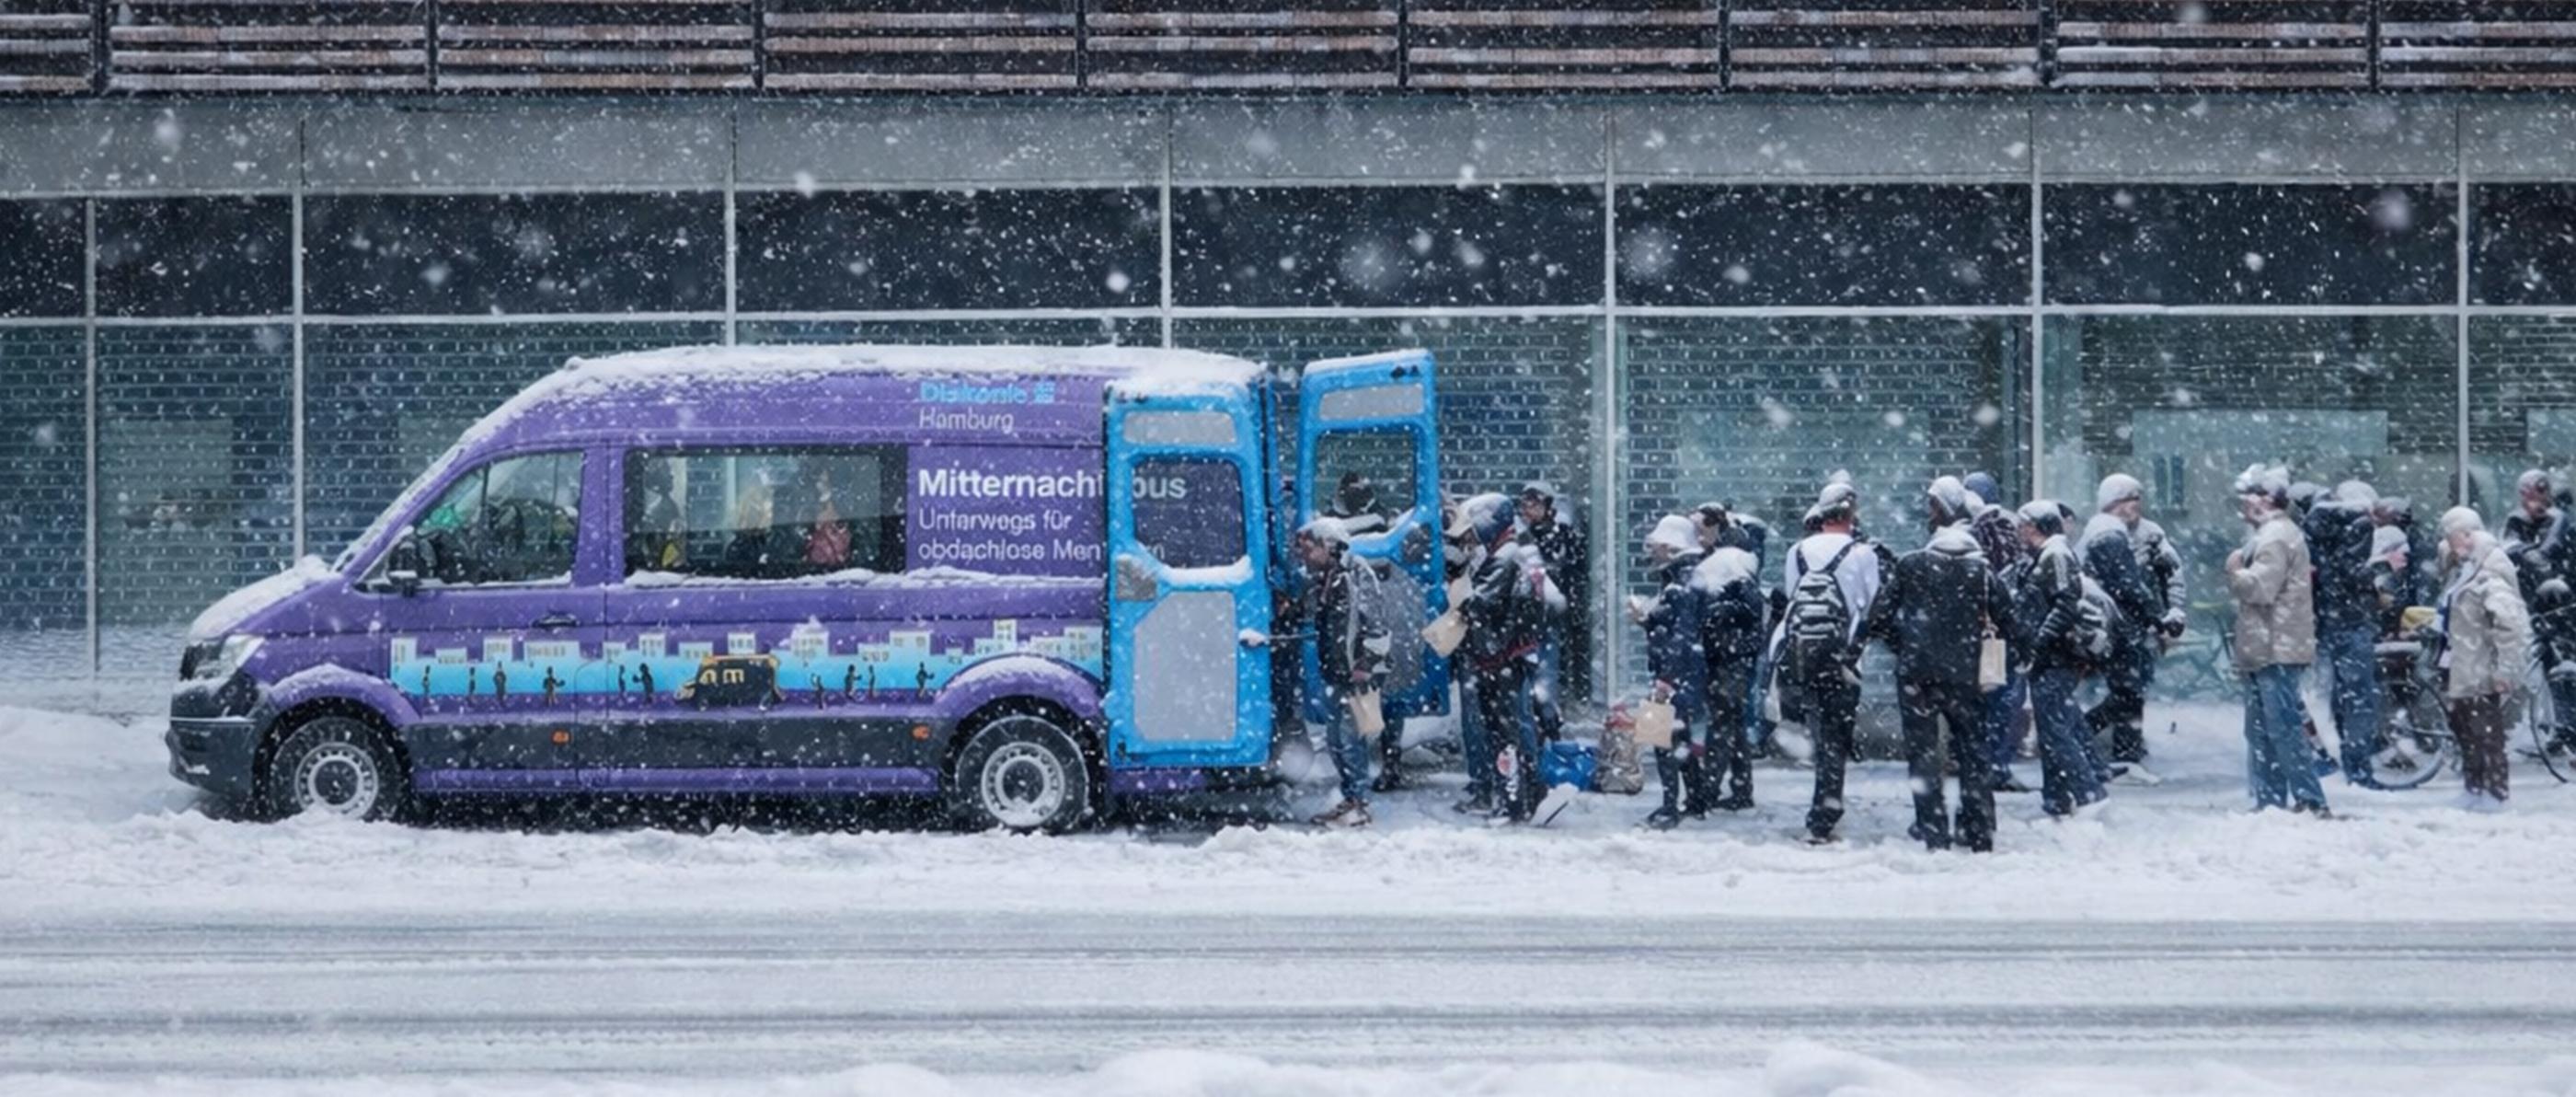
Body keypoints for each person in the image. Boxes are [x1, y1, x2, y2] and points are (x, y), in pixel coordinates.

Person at [1864, 478, 2014, 851]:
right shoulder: (1981, 574)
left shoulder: (1912, 565)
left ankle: (1933, 830)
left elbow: (1878, 617)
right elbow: (2011, 624)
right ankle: (1978, 829)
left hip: (1918, 675)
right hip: (1967, 674)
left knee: (1924, 754)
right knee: (1973, 752)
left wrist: (1907, 645)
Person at [1771, 479, 1888, 845]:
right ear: (1851, 515)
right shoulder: (1863, 554)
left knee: (1821, 730)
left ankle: (1822, 800)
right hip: (1844, 659)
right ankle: (1825, 810)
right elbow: (1872, 606)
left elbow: (1792, 600)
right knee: (1836, 737)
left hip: (1805, 655)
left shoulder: (1798, 552)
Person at [2226, 466, 2329, 817]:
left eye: (2247, 498)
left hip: (2275, 648)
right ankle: (2273, 802)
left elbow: (2261, 588)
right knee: (2264, 730)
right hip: (2268, 648)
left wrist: (2236, 572)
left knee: (2280, 729)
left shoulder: (2274, 538)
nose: (2243, 506)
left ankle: (2308, 800)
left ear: (2265, 500)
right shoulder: (2276, 535)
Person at [1453, 493, 1554, 822]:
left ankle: (1514, 802)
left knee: (1505, 734)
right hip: (1509, 658)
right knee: (1510, 731)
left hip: (1500, 660)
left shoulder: (1505, 557)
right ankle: (1524, 795)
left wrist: (1458, 597)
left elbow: (1476, 603)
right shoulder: (1513, 553)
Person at [2008, 500, 2108, 816]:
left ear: (2036, 527)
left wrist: (2039, 641)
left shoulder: (2056, 555)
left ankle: (2088, 792)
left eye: (2023, 526)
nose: (2019, 532)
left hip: (2055, 658)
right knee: (2057, 726)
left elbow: (2065, 604)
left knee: (2055, 730)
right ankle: (2058, 798)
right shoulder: (2045, 556)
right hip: (2050, 658)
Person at [2436, 507, 2533, 810]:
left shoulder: (2489, 570)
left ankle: (2494, 792)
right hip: (2463, 664)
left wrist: (2506, 669)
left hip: (2480, 667)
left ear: (2466, 535)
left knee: (2485, 734)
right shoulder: (2466, 566)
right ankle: (2475, 787)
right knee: (2466, 732)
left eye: (2450, 537)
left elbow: (2511, 623)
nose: (2448, 545)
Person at [1296, 518, 1391, 829]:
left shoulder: (1355, 575)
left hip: (1355, 674)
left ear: (1329, 545)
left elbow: (1375, 622)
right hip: (1338, 673)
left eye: (1310, 549)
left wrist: (1367, 664)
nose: (1305, 556)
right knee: (1337, 739)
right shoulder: (1329, 577)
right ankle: (1351, 797)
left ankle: (1359, 803)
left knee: (1349, 740)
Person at [2080, 474, 2175, 768]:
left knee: (2129, 691)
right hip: (2119, 630)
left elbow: (2167, 576)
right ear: (2113, 503)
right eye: (2129, 499)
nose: (2136, 505)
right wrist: (2156, 616)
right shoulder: (2108, 535)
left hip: (2124, 629)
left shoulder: (2133, 533)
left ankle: (2123, 748)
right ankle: (2093, 739)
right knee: (2127, 692)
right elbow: (2126, 584)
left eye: (2138, 499)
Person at [2306, 479, 2384, 786]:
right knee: (2360, 698)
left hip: (2325, 619)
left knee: (2333, 695)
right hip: (2351, 620)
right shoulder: (2359, 524)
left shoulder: (2317, 526)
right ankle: (2359, 768)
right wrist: (2378, 571)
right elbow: (2352, 570)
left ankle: (2333, 757)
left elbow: (2328, 571)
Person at [1634, 515, 1710, 829]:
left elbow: (1683, 633)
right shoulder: (1684, 577)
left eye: (1657, 546)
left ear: (1670, 545)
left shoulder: (1681, 582)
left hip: (1676, 673)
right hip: (1683, 671)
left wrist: (1666, 678)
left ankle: (1669, 806)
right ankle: (1695, 799)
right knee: (1677, 735)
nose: (1653, 552)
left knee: (1659, 733)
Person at [1961, 471, 2031, 793]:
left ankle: (1984, 763)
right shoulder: (2008, 528)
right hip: (2002, 631)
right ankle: (1995, 764)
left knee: (1988, 700)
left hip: (1980, 632)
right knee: (2004, 699)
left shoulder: (1968, 533)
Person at [1693, 514, 1768, 814]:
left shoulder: (1730, 572)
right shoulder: (1743, 572)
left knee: (1722, 724)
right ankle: (1740, 789)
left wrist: (1715, 614)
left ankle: (1710, 789)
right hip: (1735, 657)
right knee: (1732, 725)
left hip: (1727, 657)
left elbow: (1746, 610)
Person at [2501, 469, 2576, 755]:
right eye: (2527, 493)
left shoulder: (2559, 520)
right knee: (2550, 669)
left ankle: (2566, 729)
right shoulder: (2518, 521)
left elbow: (2546, 553)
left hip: (2561, 604)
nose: (2533, 500)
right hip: (2537, 603)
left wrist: (2528, 553)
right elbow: (2511, 550)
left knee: (2563, 669)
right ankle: (2561, 728)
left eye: (2537, 493)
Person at [1517, 482, 1589, 741]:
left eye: (1534, 504)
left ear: (1548, 507)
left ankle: (1548, 728)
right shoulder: (1520, 535)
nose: (1528, 510)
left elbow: (1573, 575)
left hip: (1548, 617)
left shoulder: (1561, 535)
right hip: (1526, 620)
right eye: (1524, 505)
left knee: (1546, 677)